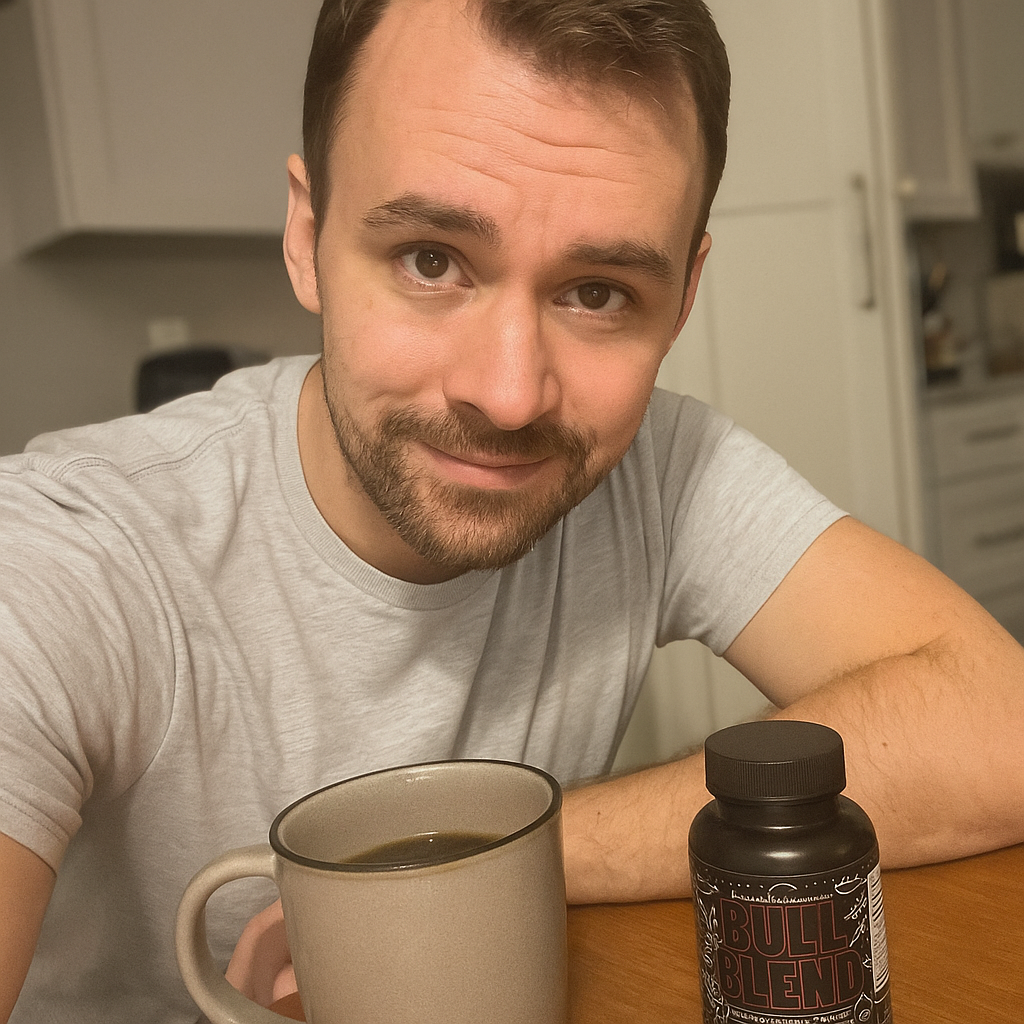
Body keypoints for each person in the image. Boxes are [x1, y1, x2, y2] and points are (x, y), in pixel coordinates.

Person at [1, 0, 1022, 1020]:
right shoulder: (67, 558)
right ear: (307, 238)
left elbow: (996, 722)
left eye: (597, 291)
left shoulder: (659, 469)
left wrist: (504, 856)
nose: (509, 392)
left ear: (682, 296)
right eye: (431, 259)